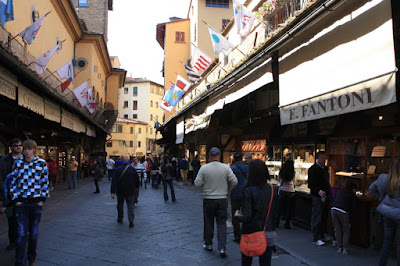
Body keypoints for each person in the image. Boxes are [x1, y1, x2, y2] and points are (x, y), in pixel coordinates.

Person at [9, 139, 50, 266]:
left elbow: (45, 182)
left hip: (35, 203)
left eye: (29, 149)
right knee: (21, 234)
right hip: (21, 203)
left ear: (34, 150)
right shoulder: (18, 164)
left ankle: (31, 258)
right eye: (25, 149)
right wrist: (16, 199)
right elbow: (13, 182)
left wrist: (42, 200)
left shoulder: (41, 163)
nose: (26, 151)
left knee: (33, 234)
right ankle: (19, 261)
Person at [194, 147, 238, 257]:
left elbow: (197, 183)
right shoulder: (225, 168)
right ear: (219, 156)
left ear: (209, 155)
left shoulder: (204, 168)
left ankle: (208, 244)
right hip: (222, 198)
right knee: (222, 223)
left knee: (208, 221)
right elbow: (234, 181)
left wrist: (206, 187)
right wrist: (229, 192)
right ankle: (222, 247)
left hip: (208, 199)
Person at [234, 159, 278, 266]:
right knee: (266, 262)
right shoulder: (273, 189)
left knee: (246, 261)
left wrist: (237, 216)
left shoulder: (248, 190)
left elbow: (247, 216)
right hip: (268, 231)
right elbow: (276, 213)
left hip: (251, 233)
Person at [369, 158, 400, 265]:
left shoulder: (384, 178)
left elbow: (372, 188)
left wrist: (381, 199)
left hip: (387, 212)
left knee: (387, 242)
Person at [0, 138, 23, 251]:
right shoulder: (4, 161)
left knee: (22, 220)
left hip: (22, 196)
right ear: (11, 147)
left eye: (20, 145)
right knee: (11, 220)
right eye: (16, 145)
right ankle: (12, 241)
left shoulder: (25, 160)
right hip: (9, 197)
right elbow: (1, 178)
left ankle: (21, 240)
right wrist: (4, 192)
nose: (18, 147)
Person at [308, 151, 331, 246]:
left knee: (324, 215)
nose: (324, 160)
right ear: (318, 158)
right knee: (317, 215)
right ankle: (316, 237)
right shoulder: (313, 169)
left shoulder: (325, 168)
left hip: (325, 195)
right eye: (322, 158)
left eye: (325, 158)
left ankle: (322, 235)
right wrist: (318, 191)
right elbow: (311, 184)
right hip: (317, 196)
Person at [110, 154, 139, 228]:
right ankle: (131, 219)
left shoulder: (118, 169)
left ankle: (120, 217)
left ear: (121, 160)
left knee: (120, 204)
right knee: (130, 205)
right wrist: (136, 188)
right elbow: (137, 180)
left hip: (120, 190)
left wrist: (112, 191)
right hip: (130, 190)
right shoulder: (132, 169)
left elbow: (114, 181)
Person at [331, 179, 357, 255]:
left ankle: (339, 247)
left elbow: (333, 200)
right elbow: (353, 208)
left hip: (333, 208)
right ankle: (345, 249)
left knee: (337, 229)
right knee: (346, 229)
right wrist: (350, 220)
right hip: (343, 211)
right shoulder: (351, 195)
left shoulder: (340, 191)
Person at [230, 152, 248, 243]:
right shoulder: (247, 167)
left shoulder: (232, 169)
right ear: (242, 158)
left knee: (235, 215)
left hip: (235, 194)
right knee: (246, 213)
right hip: (246, 194)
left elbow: (229, 182)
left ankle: (237, 236)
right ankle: (245, 234)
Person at [277, 159, 296, 229]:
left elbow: (279, 180)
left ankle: (277, 222)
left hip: (282, 190)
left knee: (279, 208)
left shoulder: (281, 172)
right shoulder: (293, 173)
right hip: (291, 191)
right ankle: (287, 223)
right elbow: (294, 181)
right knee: (289, 208)